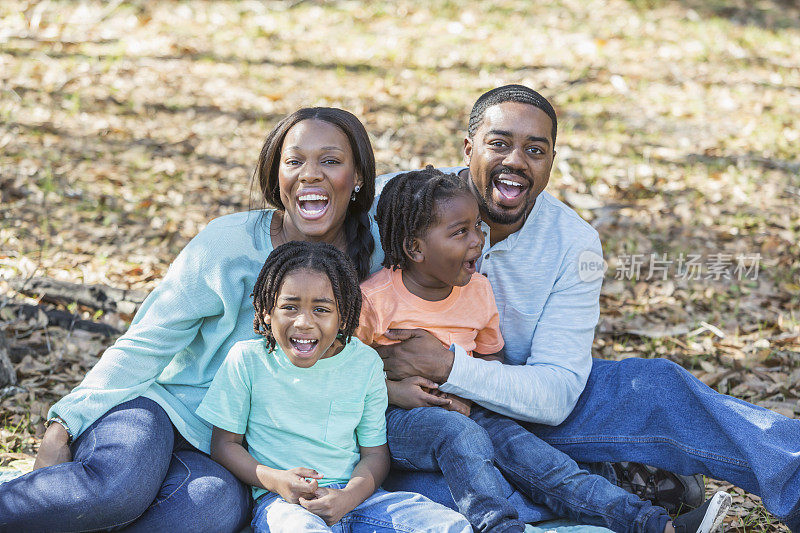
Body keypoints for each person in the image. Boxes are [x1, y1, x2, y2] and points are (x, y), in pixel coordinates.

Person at [375, 85, 800, 531]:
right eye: (499, 143)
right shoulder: (398, 204)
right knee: (445, 483)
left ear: (551, 162)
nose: (516, 161)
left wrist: (449, 367)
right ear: (468, 148)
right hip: (409, 422)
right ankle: (610, 484)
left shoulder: (573, 243)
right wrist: (388, 387)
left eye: (535, 149)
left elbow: (557, 393)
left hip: (522, 403)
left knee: (655, 388)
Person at [0, 107, 386, 533]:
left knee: (208, 511)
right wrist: (63, 425)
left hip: (231, 450)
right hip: (164, 409)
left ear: (359, 177)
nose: (310, 174)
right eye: (294, 161)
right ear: (276, 177)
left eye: (330, 161)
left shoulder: (377, 256)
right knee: (115, 489)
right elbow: (147, 342)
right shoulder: (228, 246)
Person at [358, 166, 732, 533]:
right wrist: (395, 391)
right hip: (395, 420)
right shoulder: (376, 299)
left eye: (477, 227)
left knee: (544, 463)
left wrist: (470, 397)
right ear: (414, 248)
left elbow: (492, 360)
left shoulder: (477, 291)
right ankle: (499, 526)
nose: (477, 240)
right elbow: (343, 371)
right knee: (459, 436)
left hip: (471, 410)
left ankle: (651, 524)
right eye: (460, 232)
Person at [197, 240, 471, 533]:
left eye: (321, 309)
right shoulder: (246, 360)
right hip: (283, 504)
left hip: (356, 501)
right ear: (267, 311)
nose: (303, 322)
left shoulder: (364, 363)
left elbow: (375, 455)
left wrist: (348, 497)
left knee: (449, 525)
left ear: (343, 316)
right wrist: (276, 480)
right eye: (289, 307)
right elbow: (224, 446)